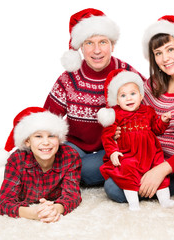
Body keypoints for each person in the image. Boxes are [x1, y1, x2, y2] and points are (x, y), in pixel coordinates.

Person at [104, 15, 174, 202]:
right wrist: (118, 131)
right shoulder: (152, 84)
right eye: (158, 53)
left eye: (170, 49)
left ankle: (160, 185)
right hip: (143, 156)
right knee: (96, 173)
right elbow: (133, 114)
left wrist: (162, 169)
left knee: (114, 189)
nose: (165, 58)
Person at [43, 8, 144, 187]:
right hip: (75, 147)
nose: (96, 50)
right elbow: (48, 118)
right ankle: (90, 173)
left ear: (112, 45)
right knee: (57, 156)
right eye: (89, 43)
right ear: (81, 47)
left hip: (112, 149)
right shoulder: (69, 77)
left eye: (103, 42)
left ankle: (80, 174)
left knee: (83, 170)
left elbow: (149, 105)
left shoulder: (125, 73)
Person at [97, 69, 174, 210]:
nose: (129, 98)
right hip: (128, 153)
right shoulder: (115, 114)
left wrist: (163, 121)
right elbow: (108, 135)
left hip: (151, 152)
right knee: (128, 170)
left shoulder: (148, 111)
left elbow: (157, 129)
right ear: (116, 101)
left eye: (133, 94)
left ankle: (164, 200)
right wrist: (113, 152)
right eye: (123, 95)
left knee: (158, 167)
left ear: (141, 96)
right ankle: (134, 204)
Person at [0, 107, 82, 223]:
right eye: (38, 136)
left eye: (51, 136)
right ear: (27, 141)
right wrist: (33, 213)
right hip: (31, 208)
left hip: (53, 203)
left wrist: (55, 209)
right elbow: (4, 202)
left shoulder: (70, 156)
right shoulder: (16, 160)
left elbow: (72, 195)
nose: (46, 142)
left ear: (59, 138)